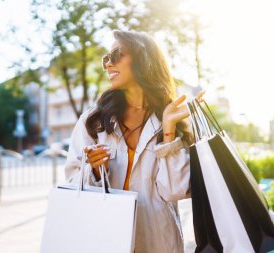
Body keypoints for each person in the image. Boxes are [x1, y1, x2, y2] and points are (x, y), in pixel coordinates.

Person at [65, 30, 203, 253]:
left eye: (116, 54)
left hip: (157, 241)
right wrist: (97, 172)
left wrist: (168, 131)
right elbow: (72, 183)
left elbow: (175, 191)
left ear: (143, 58)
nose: (108, 64)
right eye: (105, 59)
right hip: (104, 239)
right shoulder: (94, 121)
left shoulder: (169, 118)